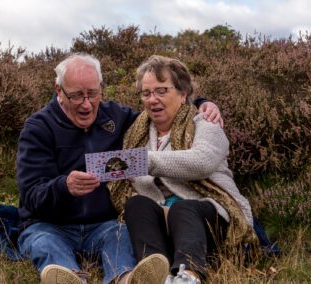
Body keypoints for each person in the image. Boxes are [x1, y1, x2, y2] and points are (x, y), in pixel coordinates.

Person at [16, 52, 223, 284]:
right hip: (50, 225)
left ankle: (125, 279)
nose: (87, 104)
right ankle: (70, 278)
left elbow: (160, 111)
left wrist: (201, 103)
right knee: (45, 244)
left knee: (122, 235)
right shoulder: (38, 128)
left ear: (101, 87)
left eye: (93, 93)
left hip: (105, 224)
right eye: (76, 96)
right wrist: (64, 187)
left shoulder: (116, 117)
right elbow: (31, 196)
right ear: (59, 92)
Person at [108, 55, 259, 284]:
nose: (152, 100)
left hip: (209, 215)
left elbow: (202, 162)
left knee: (184, 208)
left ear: (183, 93)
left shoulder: (205, 122)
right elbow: (137, 181)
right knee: (136, 204)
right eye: (146, 93)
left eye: (161, 91)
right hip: (162, 219)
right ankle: (154, 271)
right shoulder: (136, 132)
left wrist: (143, 161)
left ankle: (189, 274)